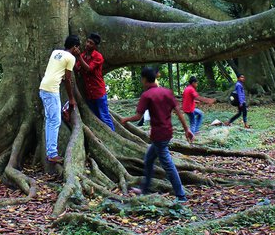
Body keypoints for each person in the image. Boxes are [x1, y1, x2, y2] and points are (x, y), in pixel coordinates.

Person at [121, 66, 193, 202]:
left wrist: (125, 119)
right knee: (148, 160)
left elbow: (138, 116)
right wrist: (186, 129)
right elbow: (178, 112)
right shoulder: (167, 92)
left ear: (144, 79)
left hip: (159, 136)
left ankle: (181, 196)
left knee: (168, 165)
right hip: (166, 133)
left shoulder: (147, 95)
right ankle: (144, 189)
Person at [39, 34, 81, 164]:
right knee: (54, 121)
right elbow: (68, 79)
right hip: (51, 90)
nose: (78, 50)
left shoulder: (56, 52)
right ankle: (52, 154)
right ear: (74, 47)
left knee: (50, 120)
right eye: (78, 48)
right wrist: (71, 98)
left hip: (44, 87)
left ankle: (50, 151)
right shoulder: (71, 58)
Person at [75, 32, 115, 130]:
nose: (87, 44)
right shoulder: (84, 55)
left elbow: (89, 68)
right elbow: (77, 68)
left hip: (98, 92)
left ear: (95, 46)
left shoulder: (98, 57)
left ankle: (111, 134)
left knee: (104, 117)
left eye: (91, 43)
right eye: (87, 42)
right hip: (89, 93)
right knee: (96, 118)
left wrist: (79, 57)